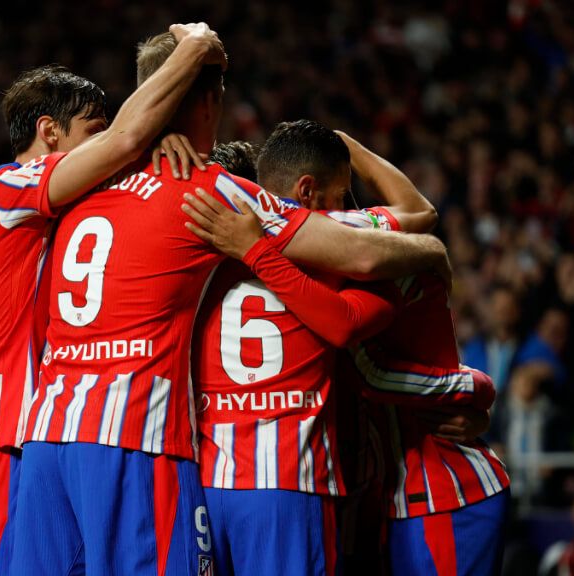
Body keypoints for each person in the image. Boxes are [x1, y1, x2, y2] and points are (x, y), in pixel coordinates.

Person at [11, 29, 452, 575]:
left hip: (46, 435)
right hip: (134, 440)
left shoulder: (77, 184)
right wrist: (430, 250)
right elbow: (362, 255)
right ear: (211, 100)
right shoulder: (209, 188)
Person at [0, 23, 227, 576]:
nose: (104, 144)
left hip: (30, 440)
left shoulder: (37, 205)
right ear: (48, 132)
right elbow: (123, 143)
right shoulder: (11, 190)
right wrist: (192, 50)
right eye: (91, 131)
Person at [186, 120, 509, 576]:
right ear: (305, 191)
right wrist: (474, 387)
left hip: (416, 488)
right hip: (342, 486)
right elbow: (415, 216)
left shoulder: (190, 257)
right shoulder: (344, 236)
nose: (346, 203)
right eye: (340, 192)